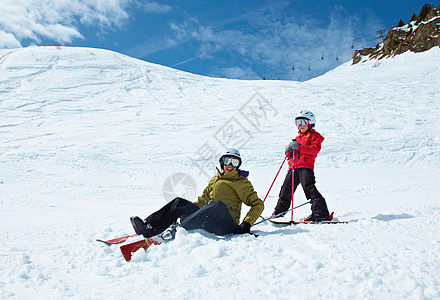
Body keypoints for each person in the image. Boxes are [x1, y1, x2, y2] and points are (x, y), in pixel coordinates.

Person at [131, 148, 264, 240]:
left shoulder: (241, 182)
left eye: (234, 162)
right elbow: (203, 200)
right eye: (227, 161)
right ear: (221, 163)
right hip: (209, 218)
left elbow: (258, 205)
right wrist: (187, 212)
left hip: (225, 224)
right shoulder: (215, 179)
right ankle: (149, 226)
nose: (230, 165)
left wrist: (247, 223)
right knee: (179, 202)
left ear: (238, 165)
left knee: (217, 205)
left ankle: (178, 229)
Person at [272, 110, 330, 221]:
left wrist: (298, 147)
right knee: (285, 189)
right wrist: (289, 151)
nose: (300, 125)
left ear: (310, 123)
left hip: (306, 167)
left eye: (303, 122)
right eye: (297, 122)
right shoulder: (297, 138)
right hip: (293, 168)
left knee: (309, 188)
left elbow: (314, 150)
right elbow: (293, 154)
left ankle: (320, 212)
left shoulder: (315, 136)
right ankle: (279, 211)